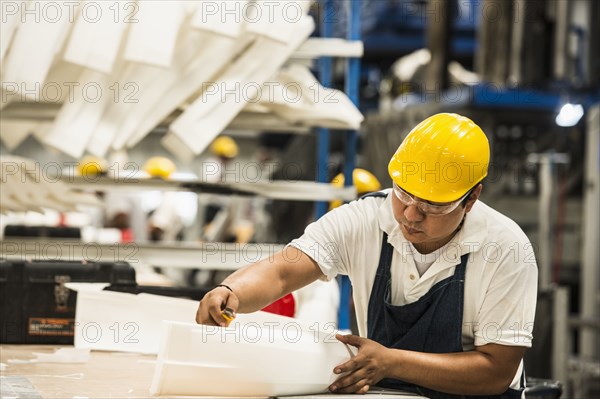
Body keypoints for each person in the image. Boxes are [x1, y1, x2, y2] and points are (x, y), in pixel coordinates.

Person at [195, 113, 538, 398]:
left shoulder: (505, 249)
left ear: (472, 197)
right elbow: (285, 270)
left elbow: (495, 370)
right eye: (403, 194)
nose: (410, 215)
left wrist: (391, 362)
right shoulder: (365, 219)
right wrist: (232, 291)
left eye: (433, 205)